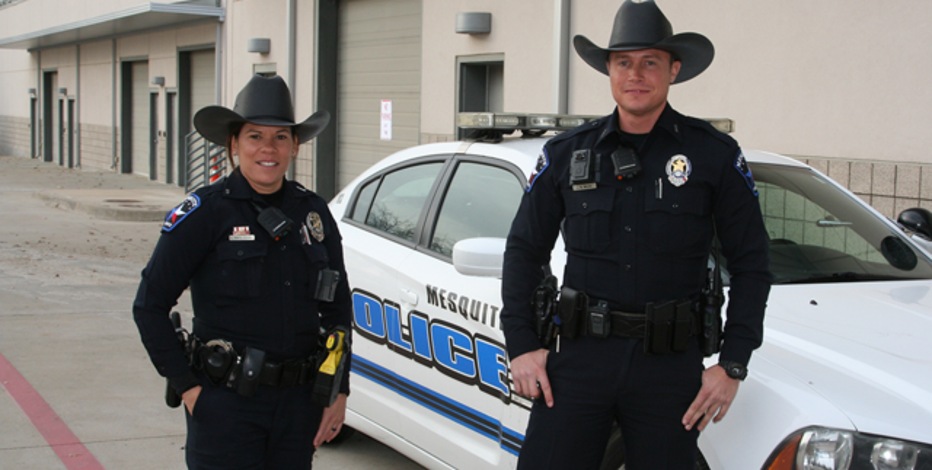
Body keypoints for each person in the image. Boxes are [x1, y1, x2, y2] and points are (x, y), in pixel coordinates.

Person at [500, 1, 771, 468]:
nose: (636, 74)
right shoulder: (567, 154)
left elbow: (752, 262)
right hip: (580, 360)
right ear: (608, 69)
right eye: (624, 62)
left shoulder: (712, 156)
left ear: (674, 69)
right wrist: (522, 344)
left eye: (651, 62)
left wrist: (733, 364)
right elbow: (524, 250)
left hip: (669, 369)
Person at [132, 74, 352, 469]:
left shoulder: (313, 213)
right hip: (226, 406)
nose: (268, 148)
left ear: (295, 145)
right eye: (255, 136)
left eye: (281, 137)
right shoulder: (204, 213)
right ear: (233, 145)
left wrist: (338, 392)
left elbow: (337, 310)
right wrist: (190, 389)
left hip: (298, 407)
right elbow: (149, 305)